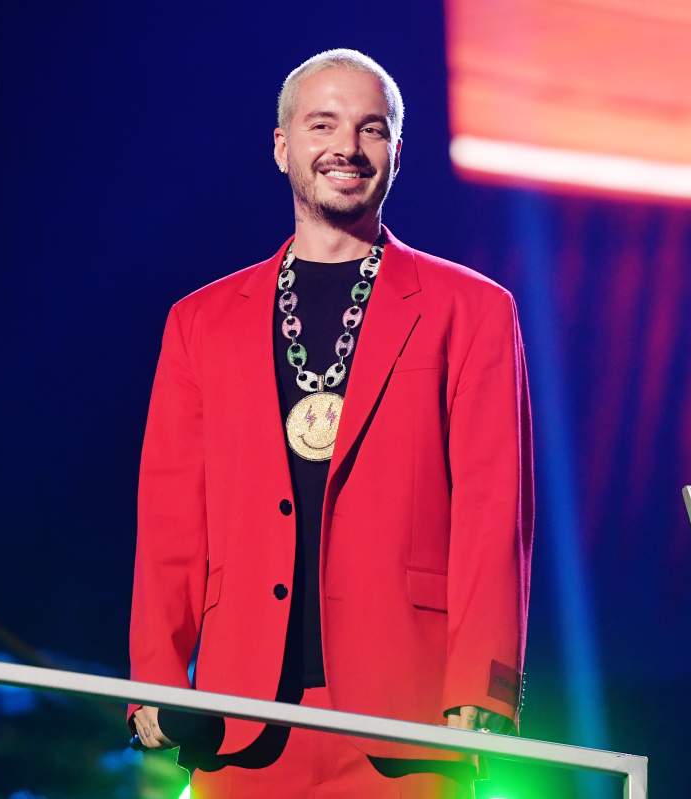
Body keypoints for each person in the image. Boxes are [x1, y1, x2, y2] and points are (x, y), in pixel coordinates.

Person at [128, 48, 534, 798]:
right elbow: (171, 516)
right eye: (323, 125)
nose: (346, 147)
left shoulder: (473, 309)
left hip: (407, 714)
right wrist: (156, 673)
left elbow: (492, 509)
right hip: (241, 712)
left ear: (397, 152)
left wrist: (484, 680)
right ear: (282, 146)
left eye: (371, 129)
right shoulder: (200, 321)